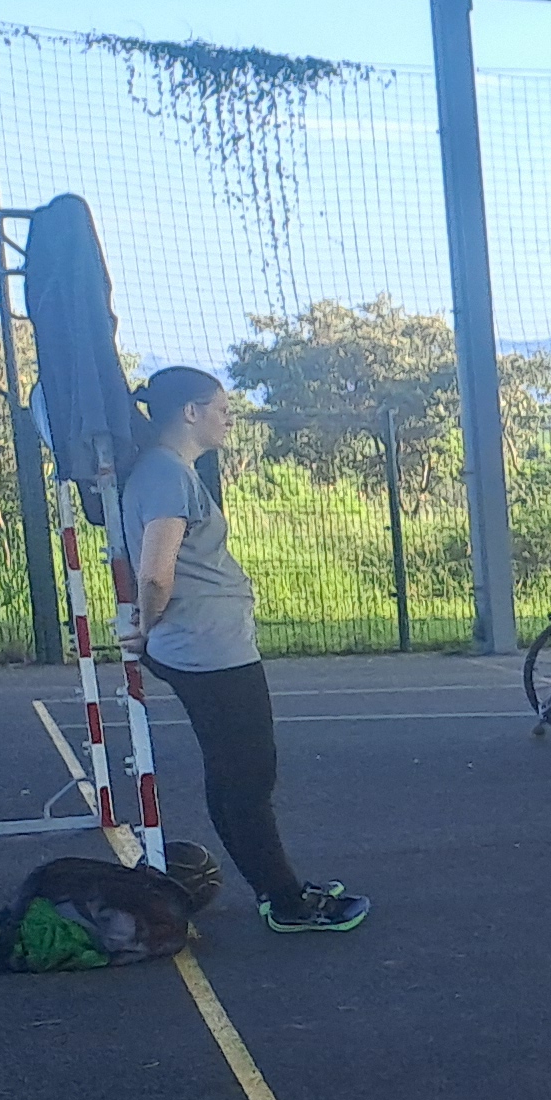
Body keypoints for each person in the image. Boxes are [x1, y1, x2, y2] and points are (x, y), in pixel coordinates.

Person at [113, 367, 368, 933]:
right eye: (221, 409)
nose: (229, 419)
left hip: (209, 646)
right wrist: (145, 628)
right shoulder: (165, 474)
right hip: (208, 651)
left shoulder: (168, 470)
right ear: (190, 412)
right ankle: (287, 903)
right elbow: (155, 572)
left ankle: (275, 890)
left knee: (234, 775)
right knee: (248, 779)